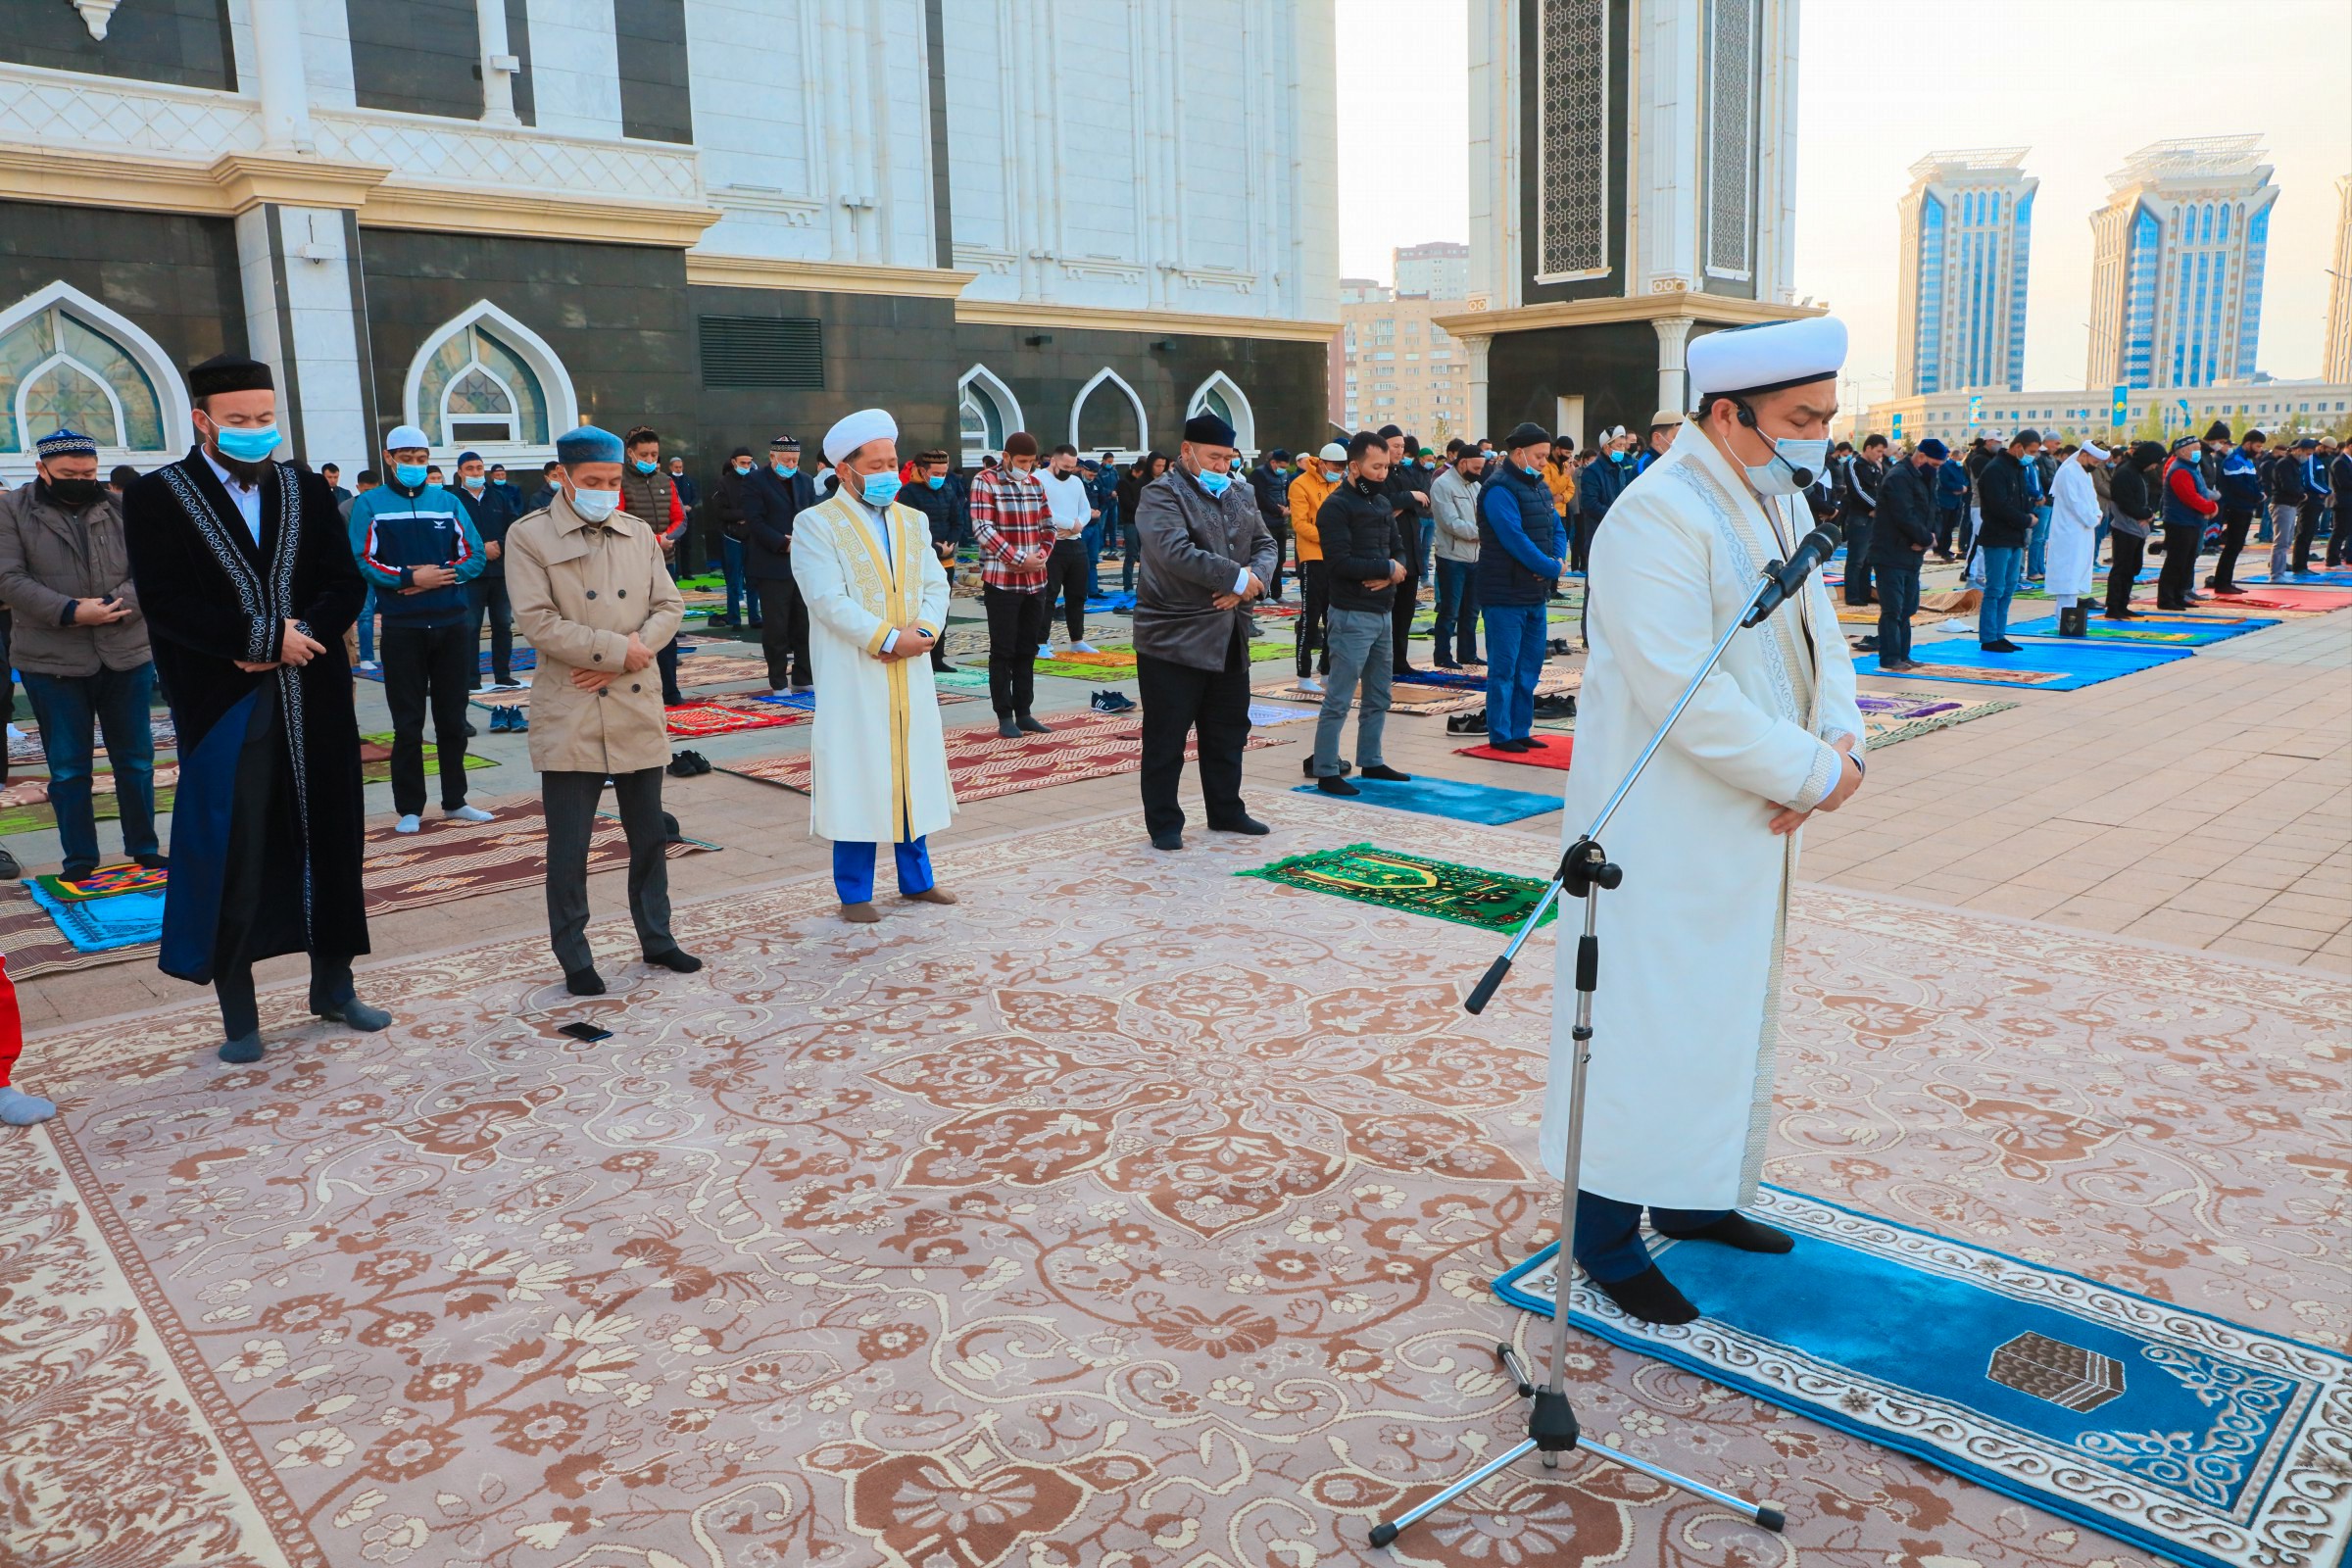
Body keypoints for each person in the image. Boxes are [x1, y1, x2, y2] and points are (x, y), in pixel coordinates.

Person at [1555, 316, 1864, 1326]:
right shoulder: (1655, 516)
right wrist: (1811, 772)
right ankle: (1605, 1239)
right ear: (1729, 414)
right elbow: (1682, 693)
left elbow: (1825, 640)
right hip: (1665, 832)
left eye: (1826, 417)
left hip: (1754, 816)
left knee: (1726, 1014)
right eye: (1801, 419)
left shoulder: (1775, 499)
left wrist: (1842, 746)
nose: (1818, 438)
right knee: (1649, 1023)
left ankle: (1694, 1197)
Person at [121, 353, 389, 1063]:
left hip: (315, 699)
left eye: (265, 418)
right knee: (234, 852)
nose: (255, 430)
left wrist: (298, 637)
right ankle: (239, 1015)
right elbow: (165, 601)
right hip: (226, 704)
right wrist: (259, 639)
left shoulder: (302, 486)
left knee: (332, 842)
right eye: (238, 419)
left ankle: (335, 987)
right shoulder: (157, 496)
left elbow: (344, 582)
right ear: (202, 421)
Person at [504, 425, 698, 994]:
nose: (606, 491)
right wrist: (618, 652)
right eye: (593, 480)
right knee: (570, 844)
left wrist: (629, 655)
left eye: (614, 481)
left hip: (634, 697)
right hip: (573, 703)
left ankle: (657, 937)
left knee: (650, 834)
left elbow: (669, 605)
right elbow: (537, 621)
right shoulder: (529, 535)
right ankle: (574, 955)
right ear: (563, 478)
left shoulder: (637, 533)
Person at [790, 410, 958, 923]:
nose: (889, 474)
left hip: (912, 667)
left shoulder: (913, 520)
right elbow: (825, 598)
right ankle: (854, 892)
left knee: (912, 768)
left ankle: (918, 880)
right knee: (858, 772)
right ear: (845, 470)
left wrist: (924, 632)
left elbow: (935, 585)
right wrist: (886, 638)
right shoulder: (816, 524)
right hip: (854, 671)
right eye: (876, 465)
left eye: (892, 463)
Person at [0, 427, 163, 879]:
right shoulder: (11, 510)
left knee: (135, 760)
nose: (80, 481)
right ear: (42, 469)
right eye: (69, 474)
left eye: (88, 473)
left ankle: (144, 847)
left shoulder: (122, 507)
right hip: (52, 662)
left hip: (125, 654)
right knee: (69, 768)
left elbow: (153, 569)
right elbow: (8, 578)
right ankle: (80, 860)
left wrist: (112, 607)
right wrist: (71, 611)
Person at [1131, 412, 1276, 851]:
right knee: (1167, 735)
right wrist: (1236, 578)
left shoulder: (1241, 491)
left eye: (1228, 459)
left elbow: (1266, 544)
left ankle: (1226, 809)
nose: (1221, 466)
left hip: (1229, 632)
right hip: (1173, 635)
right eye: (1213, 457)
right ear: (1187, 451)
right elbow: (1172, 551)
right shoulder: (1161, 493)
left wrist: (1252, 582)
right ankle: (1164, 823)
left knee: (1228, 730)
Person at [346, 424, 490, 834]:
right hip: (402, 629)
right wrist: (408, 577)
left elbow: (475, 555)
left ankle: (456, 800)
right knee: (407, 724)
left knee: (452, 719)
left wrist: (435, 578)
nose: (414, 465)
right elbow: (361, 559)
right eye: (406, 459)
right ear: (389, 458)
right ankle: (410, 807)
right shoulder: (370, 504)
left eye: (422, 459)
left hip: (450, 625)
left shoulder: (447, 502)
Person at [1306, 429, 1413, 797]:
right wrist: (1386, 568)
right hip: (1351, 613)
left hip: (1382, 611)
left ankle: (1371, 759)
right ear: (1354, 467)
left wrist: (1392, 570)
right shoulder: (1336, 507)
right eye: (1375, 467)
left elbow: (1398, 549)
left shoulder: (1381, 503)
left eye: (1386, 467)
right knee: (1339, 697)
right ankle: (1326, 769)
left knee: (1379, 694)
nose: (1382, 474)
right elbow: (1339, 563)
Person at [1473, 422, 1567, 753]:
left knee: (1529, 666)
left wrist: (1556, 560)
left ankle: (1520, 727)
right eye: (1539, 456)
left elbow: (1556, 528)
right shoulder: (1499, 489)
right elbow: (1514, 539)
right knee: (1504, 668)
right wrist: (1548, 567)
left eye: (1545, 456)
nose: (1543, 462)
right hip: (1505, 593)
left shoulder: (1539, 487)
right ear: (1518, 454)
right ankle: (1501, 733)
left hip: (1533, 594)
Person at [968, 431, 1056, 737]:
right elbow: (982, 528)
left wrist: (1042, 554)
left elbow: (1048, 525)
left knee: (1028, 648)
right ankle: (1004, 715)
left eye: (1031, 462)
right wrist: (1019, 558)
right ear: (1006, 457)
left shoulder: (1035, 484)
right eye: (1021, 461)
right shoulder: (985, 481)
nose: (1027, 467)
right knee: (1003, 650)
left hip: (1035, 581)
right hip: (1002, 581)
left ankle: (1024, 712)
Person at [618, 428, 687, 704]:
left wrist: (667, 538)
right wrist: (653, 540)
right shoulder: (620, 481)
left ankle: (670, 689)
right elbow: (618, 519)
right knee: (634, 625)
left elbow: (680, 518)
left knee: (666, 625)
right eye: (644, 454)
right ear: (631, 453)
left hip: (665, 563)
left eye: (654, 454)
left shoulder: (665, 481)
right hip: (631, 565)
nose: (649, 459)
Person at [744, 434, 816, 693]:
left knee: (804, 624)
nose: (791, 464)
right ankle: (778, 680)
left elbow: (812, 515)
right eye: (786, 460)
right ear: (772, 457)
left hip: (802, 564)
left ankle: (803, 677)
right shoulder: (755, 481)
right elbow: (755, 521)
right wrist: (782, 543)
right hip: (772, 564)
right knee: (776, 627)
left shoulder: (805, 481)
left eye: (795, 460)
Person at [451, 448, 525, 692]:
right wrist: (480, 550)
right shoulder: (453, 500)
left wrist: (499, 546)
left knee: (503, 625)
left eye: (479, 468)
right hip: (470, 573)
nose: (475, 473)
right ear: (460, 472)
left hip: (500, 571)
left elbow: (514, 527)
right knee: (470, 627)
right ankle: (471, 677)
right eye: (470, 469)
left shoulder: (499, 497)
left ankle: (503, 674)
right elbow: (450, 535)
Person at [1868, 437, 1941, 670]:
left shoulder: (1925, 476)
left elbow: (1933, 510)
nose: (1936, 469)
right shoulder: (1898, 477)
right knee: (1893, 608)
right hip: (1890, 552)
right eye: (1935, 464)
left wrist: (1930, 538)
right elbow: (1904, 515)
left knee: (1908, 607)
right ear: (1921, 456)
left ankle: (1903, 654)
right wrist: (1924, 538)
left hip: (1912, 553)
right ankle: (1890, 658)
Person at [1974, 429, 2040, 651]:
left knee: (2009, 587)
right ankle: (1988, 637)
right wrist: (2026, 520)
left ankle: (1999, 634)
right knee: (1995, 588)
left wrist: (2030, 514)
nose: (2033, 456)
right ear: (2018, 447)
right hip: (1998, 537)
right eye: (2031, 451)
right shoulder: (1995, 469)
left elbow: (2022, 499)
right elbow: (1998, 506)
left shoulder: (2017, 468)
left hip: (2015, 537)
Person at [1288, 441, 1343, 690]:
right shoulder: (1300, 484)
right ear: (1321, 463)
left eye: (1342, 467)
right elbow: (1300, 524)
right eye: (1335, 466)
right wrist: (1331, 537)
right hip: (1312, 557)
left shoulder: (1339, 485)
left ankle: (1327, 671)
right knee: (1310, 616)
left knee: (1334, 617)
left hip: (1335, 558)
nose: (1338, 471)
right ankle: (1303, 675)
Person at [1036, 443, 1100, 654]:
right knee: (1049, 595)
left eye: (1072, 467)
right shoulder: (1038, 479)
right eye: (1065, 467)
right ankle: (1041, 642)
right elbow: (1042, 510)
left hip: (1076, 543)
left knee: (1077, 594)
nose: (1069, 471)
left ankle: (1077, 639)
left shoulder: (1075, 482)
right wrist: (1070, 524)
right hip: (1052, 545)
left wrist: (1076, 526)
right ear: (1053, 461)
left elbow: (1085, 510)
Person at [1429, 442, 1486, 668]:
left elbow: (1483, 516)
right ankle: (1442, 655)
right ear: (1462, 463)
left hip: (1475, 557)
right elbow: (1450, 523)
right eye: (1476, 468)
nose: (1479, 472)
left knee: (1471, 611)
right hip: (1452, 558)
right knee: (1449, 610)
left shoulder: (1475, 486)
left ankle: (1467, 653)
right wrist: (1483, 533)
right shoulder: (1442, 485)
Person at [2046, 441, 2106, 632]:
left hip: (2083, 531)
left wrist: (2097, 514)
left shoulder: (2084, 473)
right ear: (2084, 455)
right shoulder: (2068, 472)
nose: (2096, 465)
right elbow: (2075, 503)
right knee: (2067, 578)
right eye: (2095, 461)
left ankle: (2068, 618)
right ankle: (2063, 620)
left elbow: (2092, 499)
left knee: (2076, 575)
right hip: (2068, 532)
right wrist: (2092, 518)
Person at [2157, 434, 2219, 610]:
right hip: (2180, 522)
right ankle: (2167, 599)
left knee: (2186, 562)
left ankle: (2179, 595)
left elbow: (2201, 492)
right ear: (2183, 452)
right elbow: (2190, 497)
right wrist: (2210, 507)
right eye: (2195, 449)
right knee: (2176, 562)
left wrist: (2209, 506)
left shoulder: (2192, 468)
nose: (2198, 452)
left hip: (2191, 521)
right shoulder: (2180, 470)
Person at [706, 446, 761, 630]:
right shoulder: (723, 483)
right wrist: (744, 515)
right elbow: (720, 511)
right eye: (742, 463)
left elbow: (761, 507)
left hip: (752, 537)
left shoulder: (755, 481)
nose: (746, 466)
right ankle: (735, 619)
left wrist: (747, 516)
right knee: (733, 580)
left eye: (748, 463)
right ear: (733, 462)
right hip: (733, 537)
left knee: (753, 579)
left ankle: (755, 618)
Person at [2105, 442, 2162, 619]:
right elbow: (2125, 502)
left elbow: (2142, 499)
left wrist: (2148, 513)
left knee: (2132, 568)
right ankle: (2113, 606)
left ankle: (2123, 604)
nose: (2155, 466)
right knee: (2122, 568)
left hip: (2137, 528)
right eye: (2155, 462)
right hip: (2125, 528)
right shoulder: (2125, 472)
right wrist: (2145, 514)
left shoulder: (2139, 472)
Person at [2211, 429, 2266, 596]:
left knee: (2237, 546)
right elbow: (2237, 486)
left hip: (2246, 507)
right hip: (2236, 507)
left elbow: (2253, 483)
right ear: (2248, 444)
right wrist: (2257, 496)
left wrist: (2259, 493)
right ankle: (2221, 582)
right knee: (2232, 546)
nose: (2260, 450)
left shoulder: (2247, 461)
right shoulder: (2234, 460)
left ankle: (2227, 581)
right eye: (2258, 446)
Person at [1836, 433, 1886, 607]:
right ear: (1868, 448)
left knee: (1868, 560)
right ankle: (1852, 595)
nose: (1880, 455)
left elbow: (1880, 489)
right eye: (1878, 451)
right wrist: (1875, 507)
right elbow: (1857, 490)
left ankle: (1864, 593)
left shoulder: (1875, 467)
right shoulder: (1854, 464)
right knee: (1856, 559)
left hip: (1873, 518)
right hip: (1859, 517)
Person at [1249, 447, 1294, 601]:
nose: (1283, 470)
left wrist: (1288, 508)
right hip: (1266, 522)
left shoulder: (1284, 475)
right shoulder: (1259, 474)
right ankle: (1264, 594)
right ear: (1273, 462)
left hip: (1281, 522)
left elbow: (1287, 492)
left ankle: (1277, 593)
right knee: (1266, 559)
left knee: (1281, 558)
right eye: (1281, 466)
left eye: (1285, 467)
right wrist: (1278, 510)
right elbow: (1260, 498)